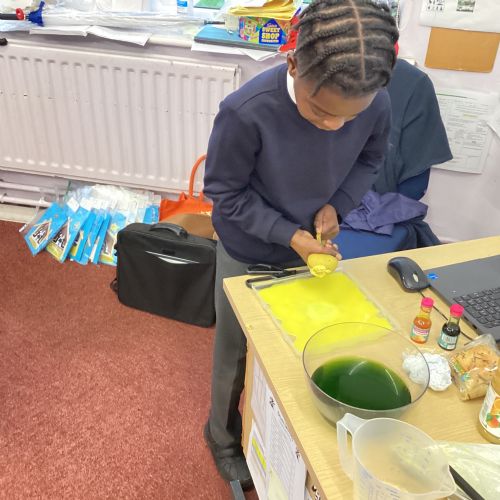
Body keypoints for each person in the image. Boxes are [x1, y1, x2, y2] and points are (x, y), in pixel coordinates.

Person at [202, 0, 399, 489]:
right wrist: (290, 236)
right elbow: (225, 194)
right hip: (248, 247)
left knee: (298, 348)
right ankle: (221, 436)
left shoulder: (375, 102)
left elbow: (370, 160)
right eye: (320, 111)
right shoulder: (245, 111)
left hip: (310, 243)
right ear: (293, 64)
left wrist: (338, 205)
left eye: (348, 118)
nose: (333, 126)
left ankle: (277, 436)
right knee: (236, 353)